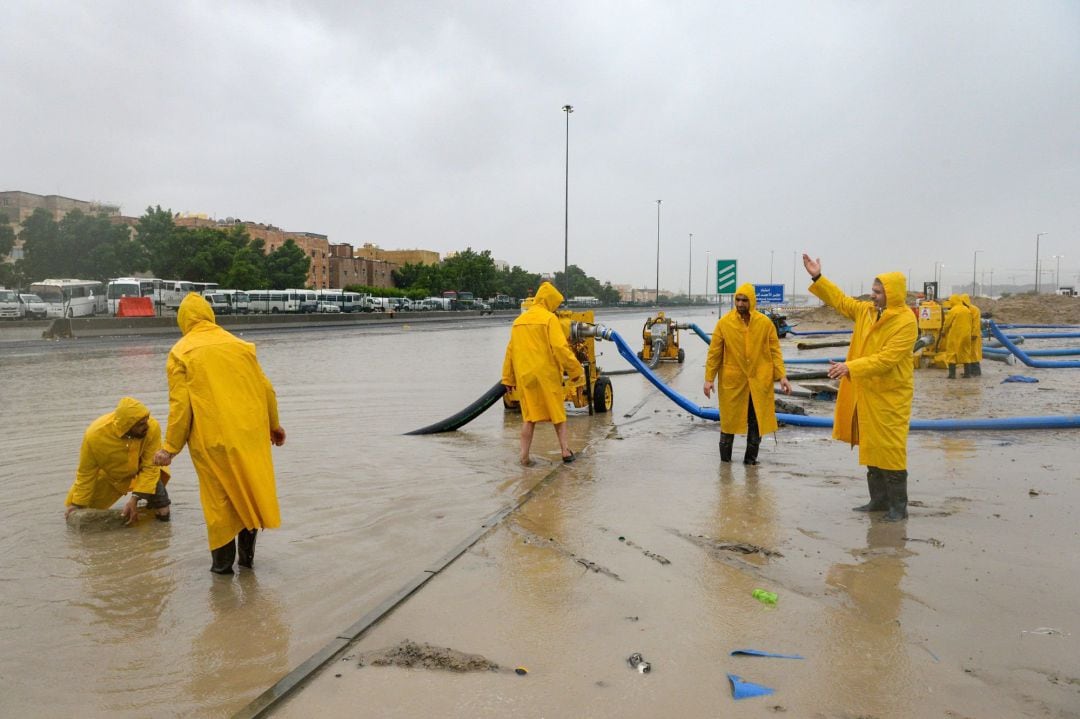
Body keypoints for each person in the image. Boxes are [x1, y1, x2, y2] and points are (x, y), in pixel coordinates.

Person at [154, 293, 286, 574]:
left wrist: (170, 448)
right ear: (210, 314)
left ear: (183, 320)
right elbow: (266, 389)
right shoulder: (240, 346)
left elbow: (181, 406)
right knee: (248, 492)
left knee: (219, 502)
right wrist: (274, 425)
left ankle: (222, 570)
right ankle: (247, 562)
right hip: (250, 437)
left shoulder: (181, 352)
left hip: (212, 440)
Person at [803, 254, 917, 522]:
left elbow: (887, 359)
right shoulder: (866, 312)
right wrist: (818, 277)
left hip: (891, 395)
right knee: (871, 445)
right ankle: (877, 501)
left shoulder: (906, 322)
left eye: (878, 292)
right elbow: (841, 301)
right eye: (873, 290)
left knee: (891, 447)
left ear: (893, 294)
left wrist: (850, 368)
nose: (873, 295)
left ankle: (899, 507)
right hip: (866, 391)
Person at [703, 283, 792, 465]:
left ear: (752, 301)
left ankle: (750, 463)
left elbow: (775, 351)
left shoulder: (765, 324)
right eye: (738, 299)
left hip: (759, 381)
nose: (741, 303)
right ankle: (725, 465)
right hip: (733, 382)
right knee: (728, 423)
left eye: (745, 300)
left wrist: (782, 376)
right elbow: (714, 353)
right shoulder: (724, 323)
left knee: (756, 422)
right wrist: (709, 379)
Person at [501, 281, 584, 466]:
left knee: (529, 418)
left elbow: (510, 352)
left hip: (525, 377)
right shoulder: (549, 319)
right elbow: (560, 348)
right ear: (550, 301)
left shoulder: (518, 322)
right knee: (558, 415)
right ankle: (565, 451)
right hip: (546, 375)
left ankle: (523, 457)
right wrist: (575, 370)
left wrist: (507, 378)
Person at [65, 397, 171, 523]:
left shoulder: (152, 427)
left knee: (164, 511)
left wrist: (134, 499)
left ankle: (157, 530)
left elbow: (150, 467)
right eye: (141, 424)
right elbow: (86, 474)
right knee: (82, 513)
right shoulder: (94, 436)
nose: (147, 426)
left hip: (144, 469)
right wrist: (78, 504)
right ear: (128, 426)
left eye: (146, 421)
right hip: (113, 475)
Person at [941, 294, 974, 379]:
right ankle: (967, 374)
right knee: (965, 352)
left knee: (952, 353)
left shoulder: (953, 310)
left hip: (955, 335)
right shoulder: (967, 310)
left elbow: (947, 323)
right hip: (966, 335)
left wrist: (943, 331)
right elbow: (971, 322)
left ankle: (952, 375)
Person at [961, 293, 983, 376]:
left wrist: (974, 334)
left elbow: (976, 323)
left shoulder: (974, 310)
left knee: (974, 353)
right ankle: (969, 372)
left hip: (974, 335)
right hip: (967, 335)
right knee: (967, 353)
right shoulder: (964, 309)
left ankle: (976, 372)